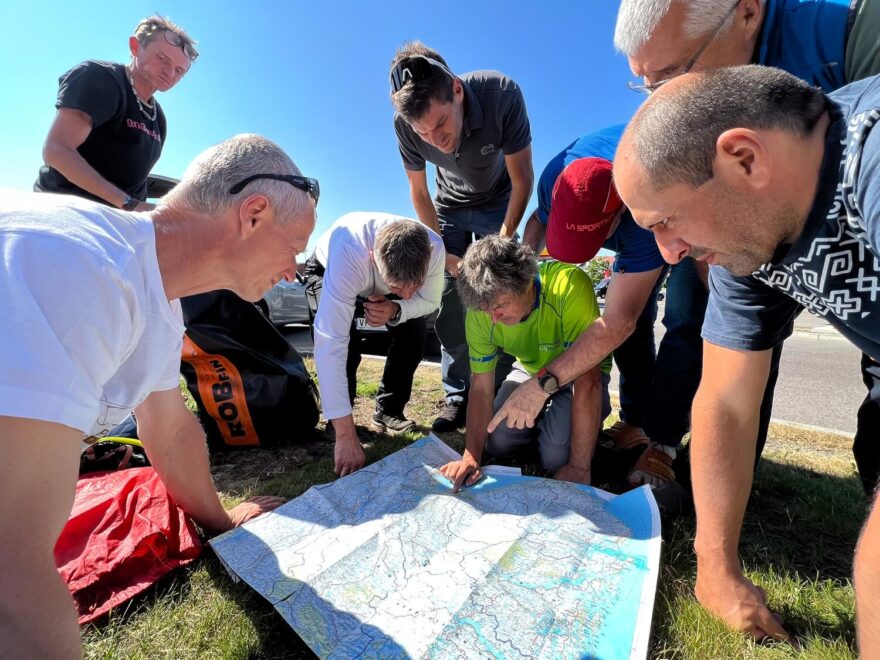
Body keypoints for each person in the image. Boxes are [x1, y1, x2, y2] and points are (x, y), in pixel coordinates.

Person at [0, 133, 317, 656]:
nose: (294, 270)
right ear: (254, 214)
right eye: (295, 247)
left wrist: (221, 523)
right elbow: (10, 565)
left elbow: (168, 428)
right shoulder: (86, 269)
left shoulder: (157, 299)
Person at [612, 64, 880, 653]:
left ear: (744, 159)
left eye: (666, 222)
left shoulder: (871, 156)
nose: (670, 253)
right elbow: (726, 400)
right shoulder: (745, 238)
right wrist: (715, 565)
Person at [613, 0, 880, 493]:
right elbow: (727, 398)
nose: (661, 101)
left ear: (748, 14)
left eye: (671, 75)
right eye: (647, 85)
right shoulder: (743, 228)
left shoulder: (859, 89)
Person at [521, 126, 687, 490]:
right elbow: (537, 221)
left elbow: (618, 322)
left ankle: (663, 442)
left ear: (615, 219)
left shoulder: (645, 212)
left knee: (684, 319)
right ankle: (636, 420)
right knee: (635, 332)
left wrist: (542, 384)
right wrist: (522, 275)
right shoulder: (554, 177)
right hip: (625, 194)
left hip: (682, 210)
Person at [390, 41, 534, 432]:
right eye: (423, 132)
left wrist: (501, 243)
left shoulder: (501, 95)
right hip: (448, 208)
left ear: (456, 90)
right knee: (451, 300)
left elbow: (523, 180)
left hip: (499, 202)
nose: (435, 139)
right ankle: (457, 396)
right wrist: (442, 253)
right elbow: (419, 194)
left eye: (440, 124)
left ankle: (499, 386)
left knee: (499, 289)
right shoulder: (405, 126)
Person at [439, 235, 611, 492]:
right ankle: (548, 427)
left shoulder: (569, 285)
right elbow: (481, 388)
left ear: (526, 281)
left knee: (556, 457)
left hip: (579, 374)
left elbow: (590, 381)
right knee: (498, 443)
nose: (494, 319)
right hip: (529, 369)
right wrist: (471, 455)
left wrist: (579, 466)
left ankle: (566, 433)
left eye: (500, 305)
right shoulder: (481, 312)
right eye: (485, 309)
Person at [303, 213, 445, 476]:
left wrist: (397, 307)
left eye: (416, 284)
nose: (408, 294)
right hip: (327, 269)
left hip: (380, 276)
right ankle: (339, 424)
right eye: (397, 287)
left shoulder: (435, 247)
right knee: (346, 345)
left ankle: (388, 410)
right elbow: (330, 341)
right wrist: (346, 435)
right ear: (373, 258)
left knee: (414, 334)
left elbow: (430, 301)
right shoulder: (349, 250)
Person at [34, 15, 197, 211]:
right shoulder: (101, 78)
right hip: (67, 210)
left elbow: (135, 180)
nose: (169, 74)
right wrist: (130, 204)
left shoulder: (158, 118)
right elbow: (56, 150)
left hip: (120, 218)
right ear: (135, 47)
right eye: (162, 59)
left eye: (179, 71)